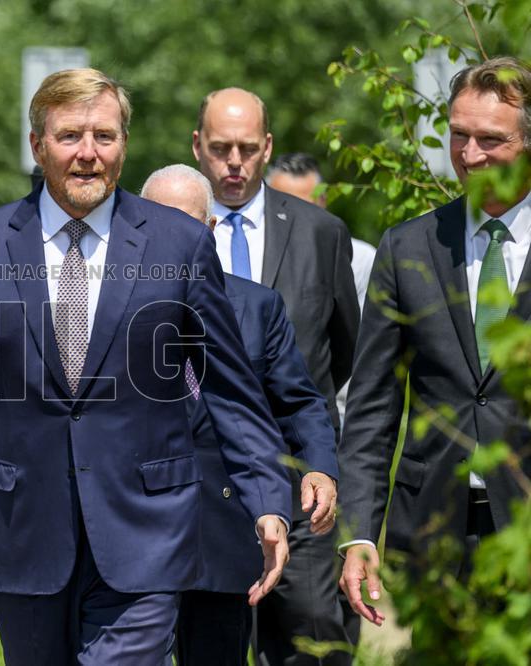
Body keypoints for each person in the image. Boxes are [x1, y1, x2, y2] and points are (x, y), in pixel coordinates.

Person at [0, 68, 292, 664]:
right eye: (70, 136)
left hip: (147, 527)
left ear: (124, 145)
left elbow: (231, 389)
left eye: (104, 136)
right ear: (38, 145)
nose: (88, 154)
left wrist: (266, 497)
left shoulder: (179, 244)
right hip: (24, 527)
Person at [339, 56, 531, 627]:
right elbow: (371, 409)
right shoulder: (409, 247)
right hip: (431, 534)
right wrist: (356, 534)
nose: (469, 157)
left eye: (491, 140)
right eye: (458, 136)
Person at [141, 165, 339, 666]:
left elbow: (298, 402)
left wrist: (318, 465)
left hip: (224, 534)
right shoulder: (109, 308)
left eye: (182, 225)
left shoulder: (257, 307)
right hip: (135, 538)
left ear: (208, 229)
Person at [193, 88, 360, 665]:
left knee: (308, 644)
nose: (233, 162)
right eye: (220, 149)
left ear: (267, 147)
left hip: (296, 486)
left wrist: (318, 458)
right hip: (199, 486)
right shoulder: (168, 230)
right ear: (198, 147)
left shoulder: (322, 233)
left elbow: (341, 356)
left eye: (245, 148)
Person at [266, 152, 377, 311]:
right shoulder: (249, 251)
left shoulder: (360, 259)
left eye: (306, 209)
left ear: (323, 202)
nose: (295, 220)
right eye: (285, 207)